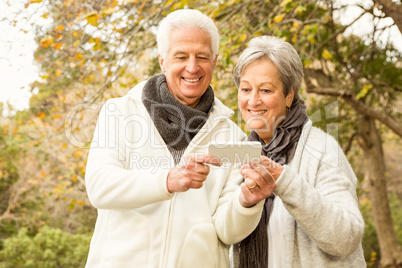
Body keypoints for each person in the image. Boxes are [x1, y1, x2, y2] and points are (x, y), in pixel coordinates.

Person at [84, 9, 271, 267]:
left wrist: (247, 202)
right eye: (181, 56)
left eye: (202, 57)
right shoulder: (119, 111)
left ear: (215, 61)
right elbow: (99, 186)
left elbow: (228, 231)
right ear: (163, 61)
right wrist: (168, 180)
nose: (192, 67)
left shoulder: (234, 139)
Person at [231, 36, 366, 267]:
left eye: (265, 90)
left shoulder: (321, 149)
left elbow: (347, 238)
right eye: (245, 89)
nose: (252, 100)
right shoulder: (240, 153)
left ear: (289, 95)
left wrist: (283, 180)